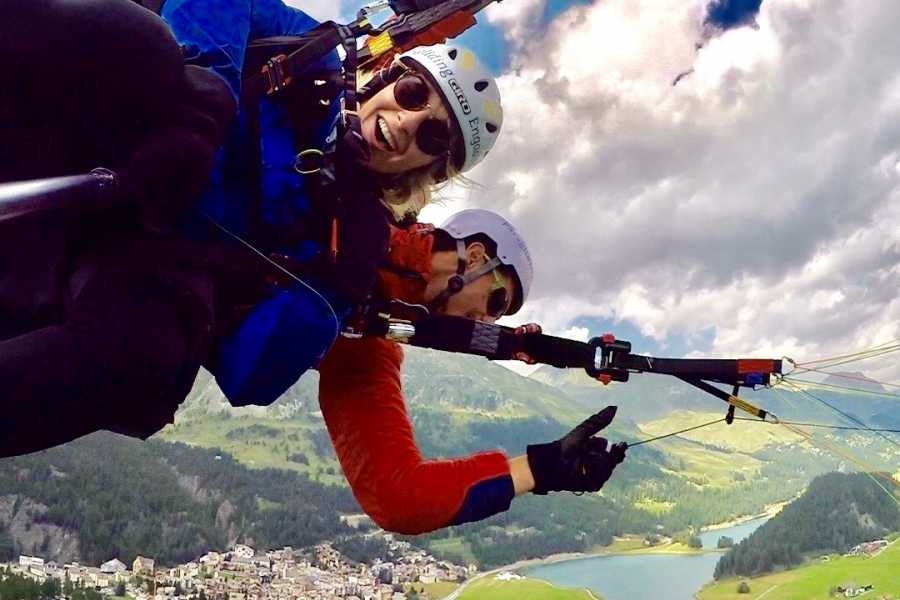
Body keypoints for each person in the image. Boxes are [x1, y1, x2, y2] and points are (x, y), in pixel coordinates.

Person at [0, 0, 503, 457]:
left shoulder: (351, 235)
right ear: (390, 78)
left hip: (127, 259)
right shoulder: (315, 58)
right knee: (143, 43)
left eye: (434, 135)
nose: (409, 122)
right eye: (413, 94)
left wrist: (336, 286)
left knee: (151, 358)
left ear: (431, 169)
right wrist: (206, 98)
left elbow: (250, 376)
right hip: (102, 134)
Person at [319, 209, 628, 532]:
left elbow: (400, 498)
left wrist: (543, 468)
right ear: (477, 256)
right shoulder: (351, 205)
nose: (487, 321)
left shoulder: (365, 342)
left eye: (498, 318)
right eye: (496, 302)